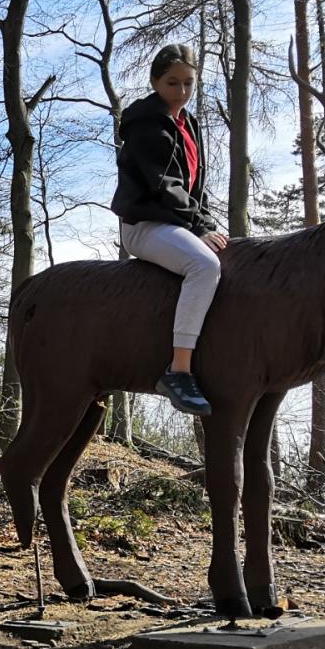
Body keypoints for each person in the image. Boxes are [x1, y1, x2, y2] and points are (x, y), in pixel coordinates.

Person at [110, 43, 229, 417]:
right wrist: (198, 227)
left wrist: (208, 223)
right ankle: (178, 371)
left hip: (178, 220)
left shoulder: (187, 123)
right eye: (172, 83)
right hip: (146, 225)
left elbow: (196, 186)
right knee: (204, 266)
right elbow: (166, 185)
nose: (181, 92)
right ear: (155, 82)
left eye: (188, 84)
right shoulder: (146, 123)